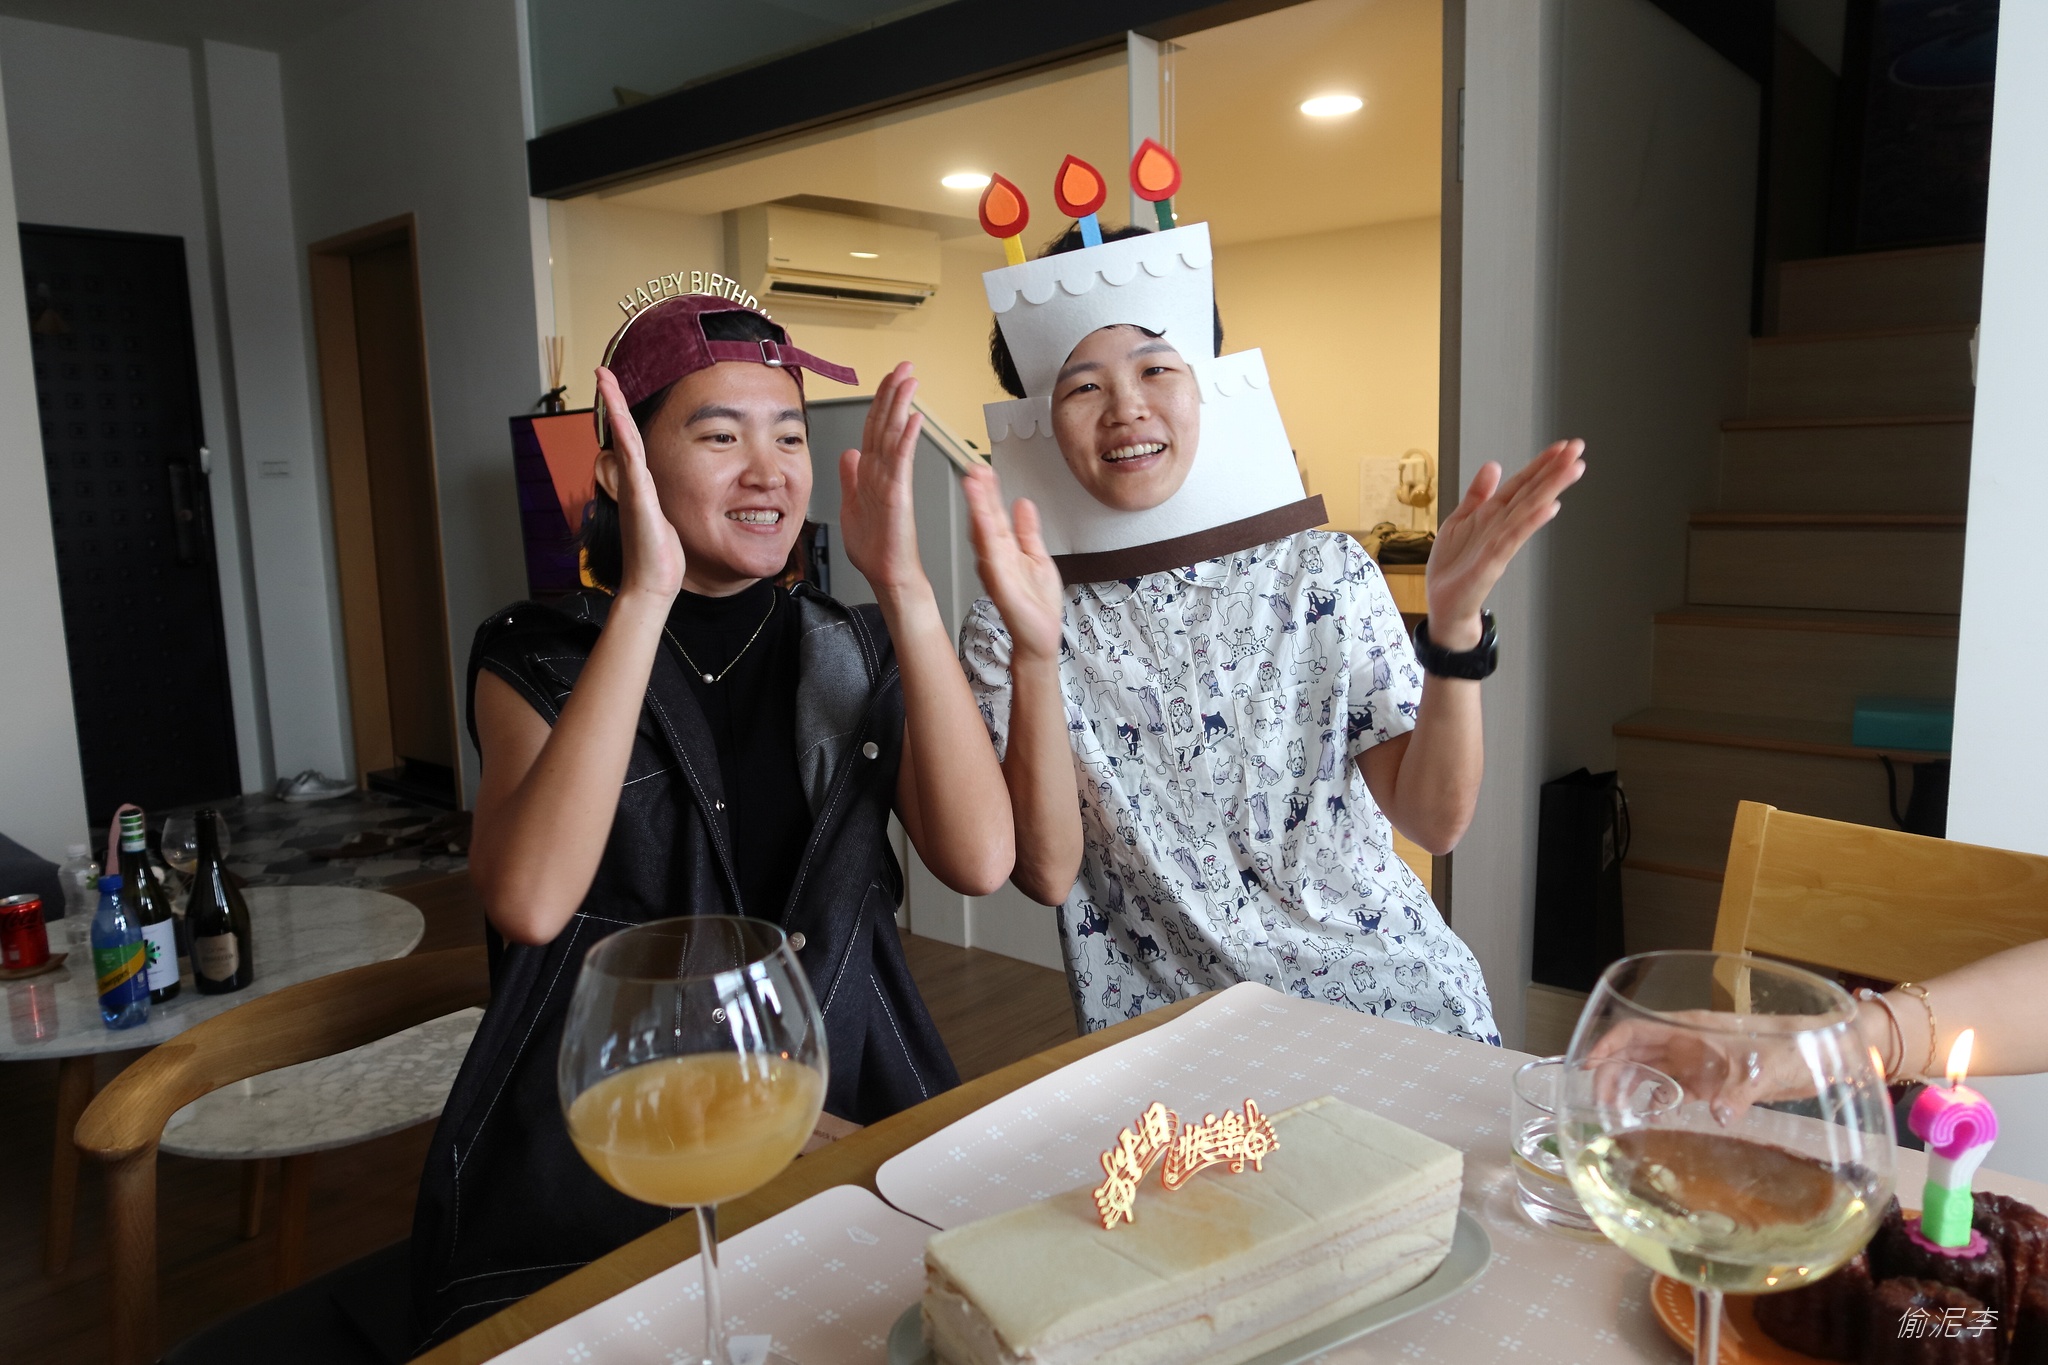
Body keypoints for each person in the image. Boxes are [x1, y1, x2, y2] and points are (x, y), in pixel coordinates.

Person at [410, 295, 1013, 1345]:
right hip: (619, 1142)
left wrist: (905, 586)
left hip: (849, 1091)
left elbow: (980, 858)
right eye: (720, 436)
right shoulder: (536, 655)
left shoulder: (851, 642)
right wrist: (643, 597)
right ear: (621, 468)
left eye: (788, 436)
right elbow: (530, 901)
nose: (767, 470)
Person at [957, 216, 1584, 1043]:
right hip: (1171, 1038)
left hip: (1392, 1003)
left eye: (1156, 367)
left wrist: (1457, 626)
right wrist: (1038, 654)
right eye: (1083, 387)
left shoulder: (1324, 572)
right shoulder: (1007, 629)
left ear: (1206, 383)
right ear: (1036, 418)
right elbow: (1047, 872)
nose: (1127, 407)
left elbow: (1434, 821)